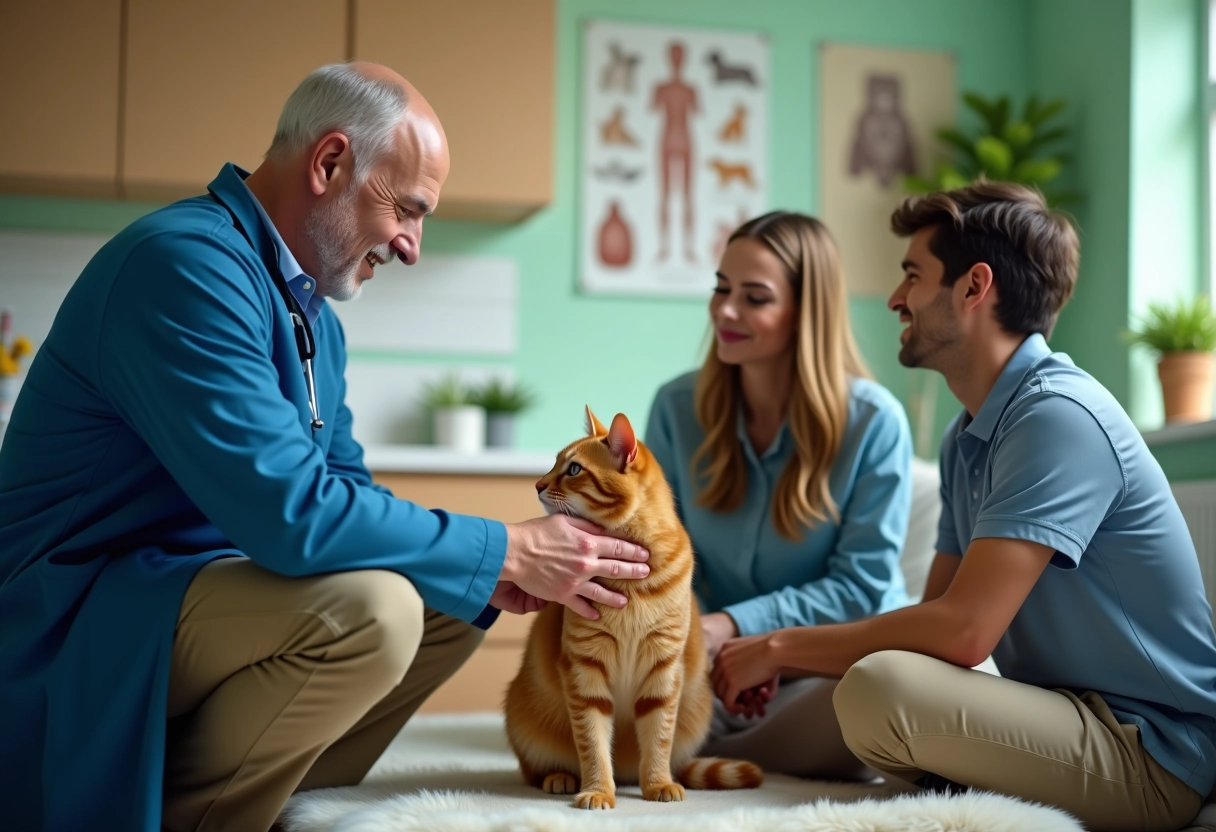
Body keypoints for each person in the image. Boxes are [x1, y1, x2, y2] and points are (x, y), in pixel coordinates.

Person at [0, 62, 653, 832]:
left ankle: (270, 790)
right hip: (80, 619)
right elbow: (290, 514)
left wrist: (483, 567)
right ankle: (186, 813)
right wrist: (504, 547)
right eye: (407, 210)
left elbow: (350, 495)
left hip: (188, 594)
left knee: (452, 597)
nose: (413, 246)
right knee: (376, 611)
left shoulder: (312, 320)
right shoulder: (183, 267)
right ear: (330, 163)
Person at [710, 182, 1216, 832]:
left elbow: (964, 631)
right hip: (1063, 718)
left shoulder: (1058, 417)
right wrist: (783, 660)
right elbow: (935, 629)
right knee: (875, 681)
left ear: (975, 288)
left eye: (912, 277)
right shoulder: (968, 438)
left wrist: (777, 647)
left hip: (1151, 754)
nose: (895, 299)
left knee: (879, 688)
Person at [645, 211, 913, 777]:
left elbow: (860, 588)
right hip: (707, 666)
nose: (725, 311)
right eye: (721, 289)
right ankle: (688, 742)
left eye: (754, 297)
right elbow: (658, 558)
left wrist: (737, 631)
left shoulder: (874, 422)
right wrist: (708, 644)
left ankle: (688, 746)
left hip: (821, 670)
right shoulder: (675, 408)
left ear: (805, 313)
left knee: (872, 704)